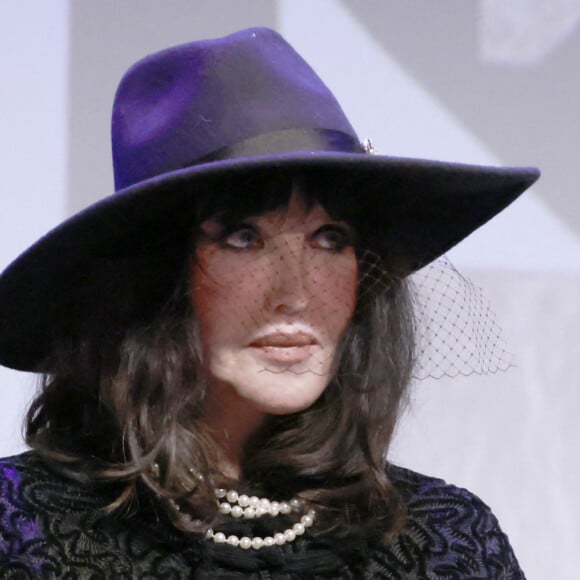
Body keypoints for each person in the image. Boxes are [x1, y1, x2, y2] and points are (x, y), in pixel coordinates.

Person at [0, 28, 538, 578]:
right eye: (243, 238)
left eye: (330, 239)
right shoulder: (21, 530)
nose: (297, 292)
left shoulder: (443, 541)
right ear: (153, 277)